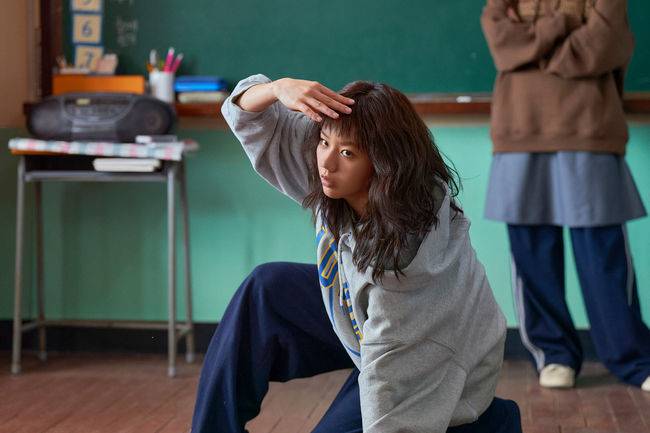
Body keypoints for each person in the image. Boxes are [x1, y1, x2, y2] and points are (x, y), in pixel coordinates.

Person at [190, 75, 523, 432]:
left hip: (442, 363)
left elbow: (388, 390)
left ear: (382, 165)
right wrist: (276, 89)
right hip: (366, 327)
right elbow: (247, 116)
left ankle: (492, 423)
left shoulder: (402, 272)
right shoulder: (336, 171)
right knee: (265, 290)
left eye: (347, 153)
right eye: (324, 142)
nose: (327, 163)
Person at [481, 0, 650, 390]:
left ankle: (633, 358)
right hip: (519, 128)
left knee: (602, 251)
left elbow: (602, 44)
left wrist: (535, 42)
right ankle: (553, 353)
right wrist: (566, 23)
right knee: (531, 249)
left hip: (591, 128)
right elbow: (503, 44)